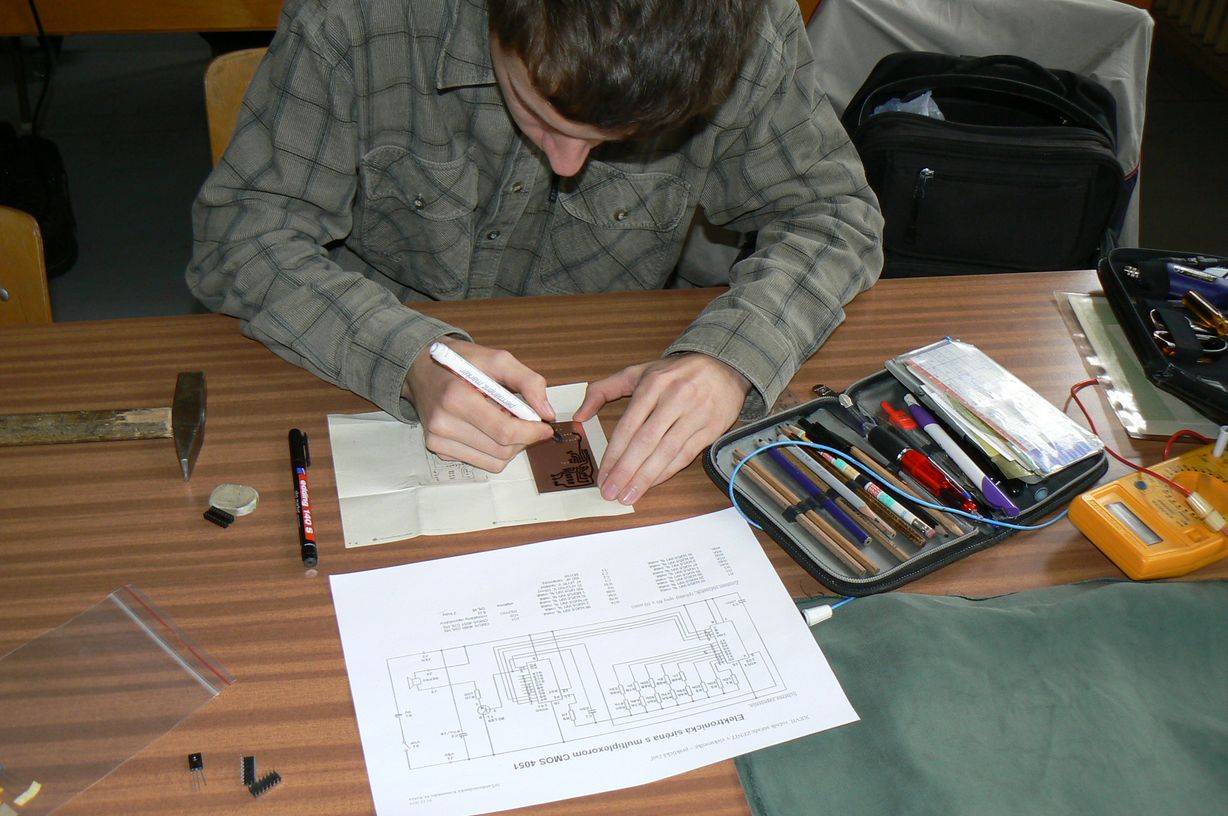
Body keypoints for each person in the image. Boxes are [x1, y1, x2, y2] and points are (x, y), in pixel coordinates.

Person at [187, 0, 884, 505]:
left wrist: (732, 358)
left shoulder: (744, 25)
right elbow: (242, 236)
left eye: (614, 141)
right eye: (539, 114)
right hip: (342, 375)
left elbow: (834, 214)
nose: (569, 163)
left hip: (603, 375)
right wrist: (408, 357)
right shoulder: (360, 18)